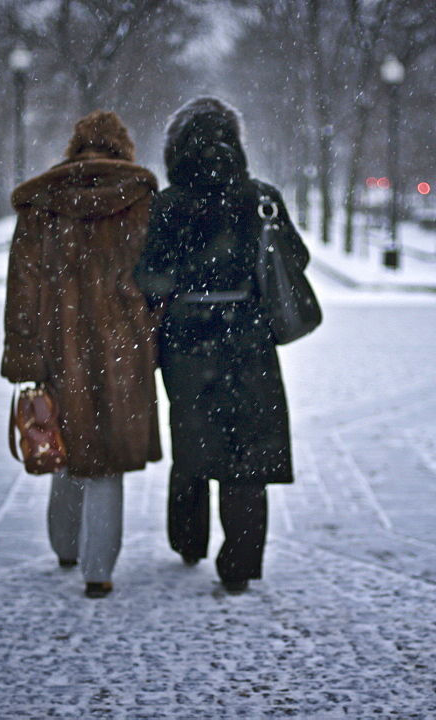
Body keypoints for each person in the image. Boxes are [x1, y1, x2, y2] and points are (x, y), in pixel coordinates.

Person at [134, 97, 306, 594]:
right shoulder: (262, 199)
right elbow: (297, 258)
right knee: (247, 451)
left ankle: (188, 540)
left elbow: (148, 277)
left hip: (186, 338)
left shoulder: (166, 206)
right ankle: (239, 564)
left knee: (193, 441)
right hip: (248, 333)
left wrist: (183, 282)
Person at [1, 111, 162, 598]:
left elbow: (22, 287)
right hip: (123, 349)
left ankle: (65, 547)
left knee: (67, 445)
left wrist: (25, 353)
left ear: (75, 146)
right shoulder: (140, 200)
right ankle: (99, 570)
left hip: (57, 345)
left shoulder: (42, 204)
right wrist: (147, 329)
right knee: (107, 459)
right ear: (123, 148)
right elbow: (157, 281)